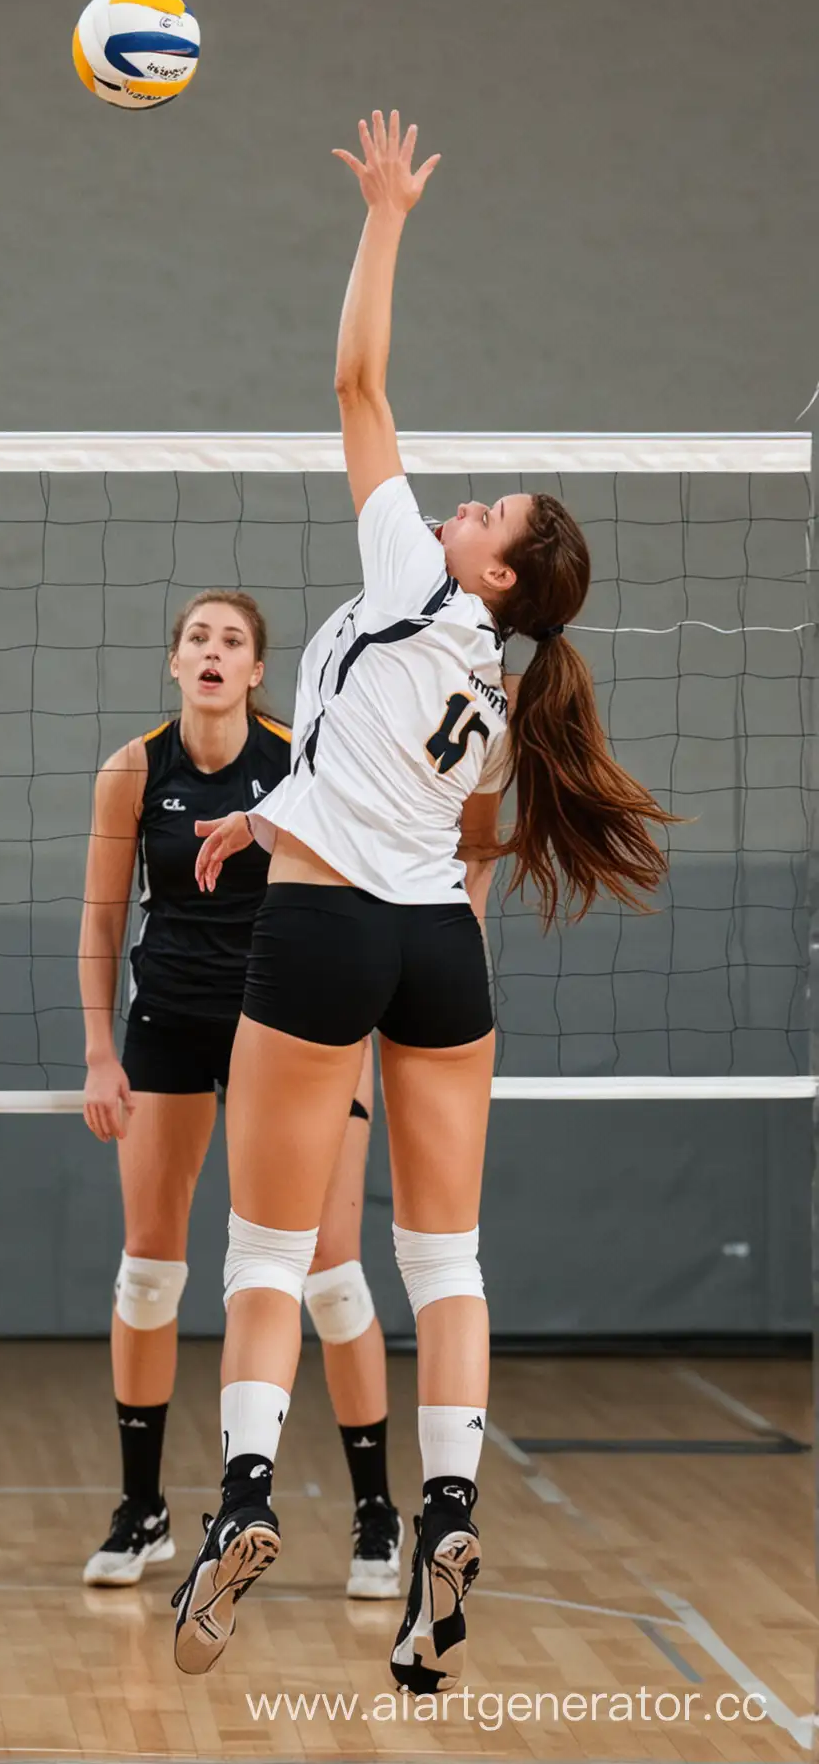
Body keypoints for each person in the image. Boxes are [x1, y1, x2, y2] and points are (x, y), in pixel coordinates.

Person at [171, 113, 675, 1692]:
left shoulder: (419, 585)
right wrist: (270, 817)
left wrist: (387, 218)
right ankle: (447, 1518)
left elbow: (358, 389)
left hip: (322, 939)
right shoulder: (498, 686)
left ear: (500, 576)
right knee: (444, 1264)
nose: (458, 505)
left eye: (488, 514)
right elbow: (418, 814)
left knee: (263, 1250)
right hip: (437, 954)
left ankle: (245, 1499)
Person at [79, 592, 401, 1600]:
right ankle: (144, 1511)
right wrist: (99, 1050)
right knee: (148, 1271)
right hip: (169, 1019)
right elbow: (98, 926)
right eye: (197, 640)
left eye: (233, 642)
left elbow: (353, 905)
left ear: (258, 670)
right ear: (174, 662)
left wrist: (353, 1054)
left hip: (292, 1028)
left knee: (332, 1272)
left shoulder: (298, 759)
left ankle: (376, 1513)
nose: (213, 654)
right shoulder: (134, 770)